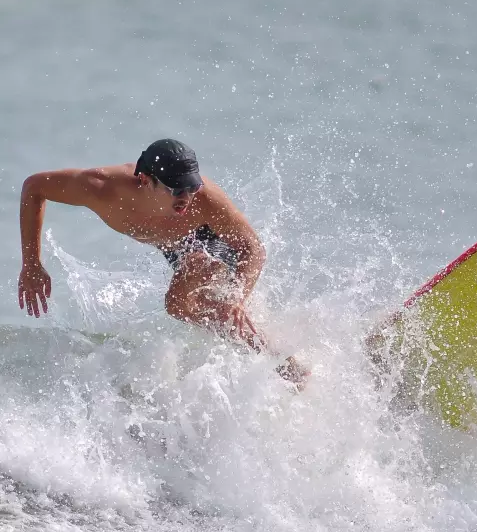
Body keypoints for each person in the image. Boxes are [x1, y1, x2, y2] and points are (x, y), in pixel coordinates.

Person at [17, 138, 308, 387]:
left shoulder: (205, 199)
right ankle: (276, 362)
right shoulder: (100, 188)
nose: (186, 197)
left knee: (211, 303)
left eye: (191, 188)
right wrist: (31, 263)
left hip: (211, 244)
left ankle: (283, 365)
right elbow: (34, 187)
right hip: (178, 248)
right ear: (145, 180)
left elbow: (252, 248)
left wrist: (237, 296)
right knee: (183, 310)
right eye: (176, 190)